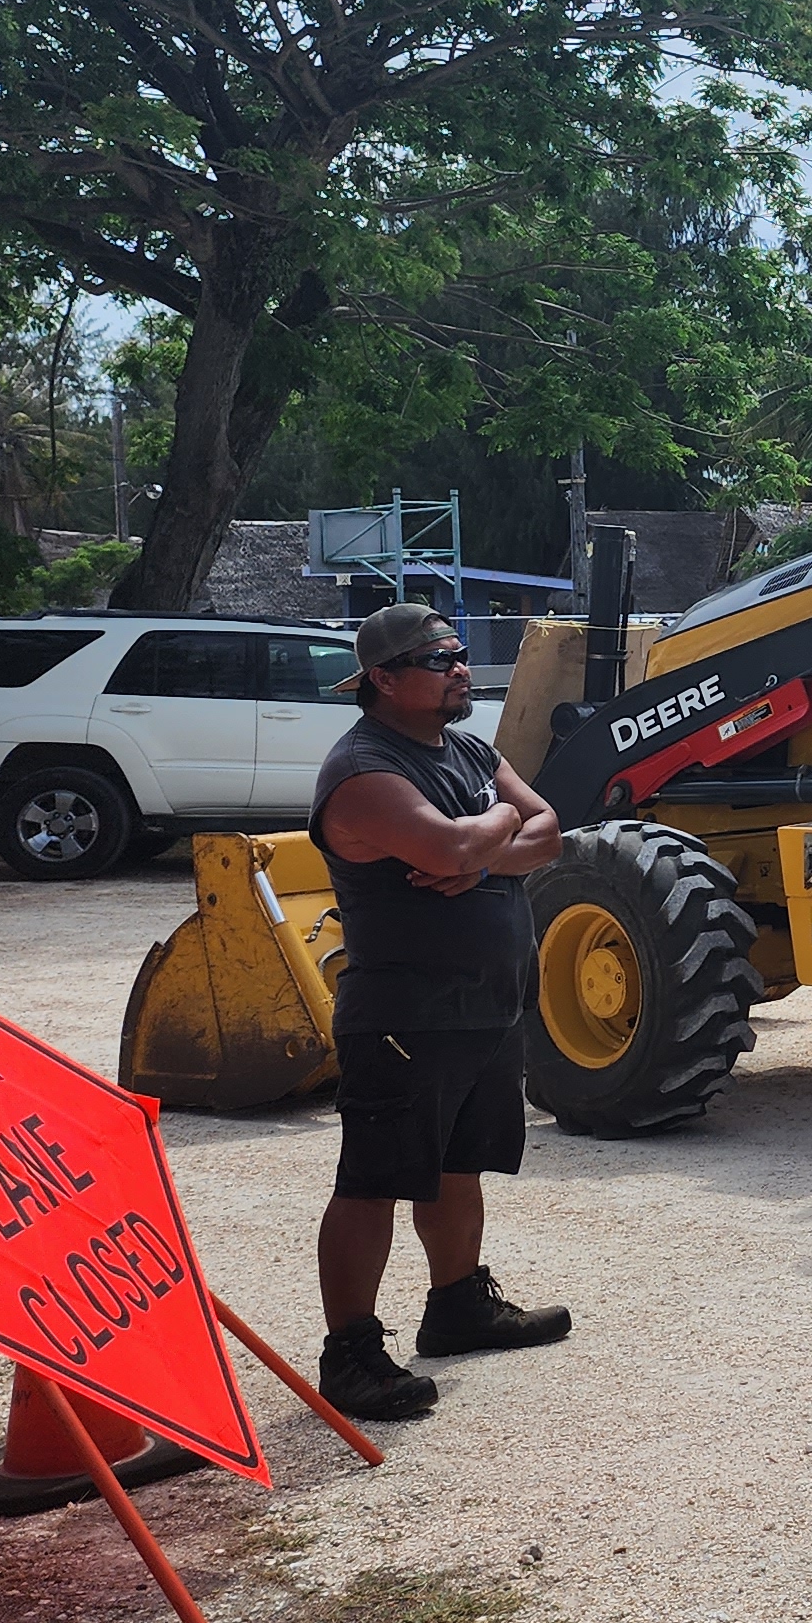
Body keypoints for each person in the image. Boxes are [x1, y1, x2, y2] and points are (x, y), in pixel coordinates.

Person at [309, 605, 576, 1424]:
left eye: (459, 654)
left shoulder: (462, 748)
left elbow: (552, 830)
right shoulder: (363, 771)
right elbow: (474, 841)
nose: (460, 667)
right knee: (375, 1181)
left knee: (460, 1165)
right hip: (405, 1014)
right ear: (383, 680)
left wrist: (477, 848)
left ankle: (457, 1306)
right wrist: (488, 835)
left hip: (483, 1007)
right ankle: (350, 1354)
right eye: (438, 658)